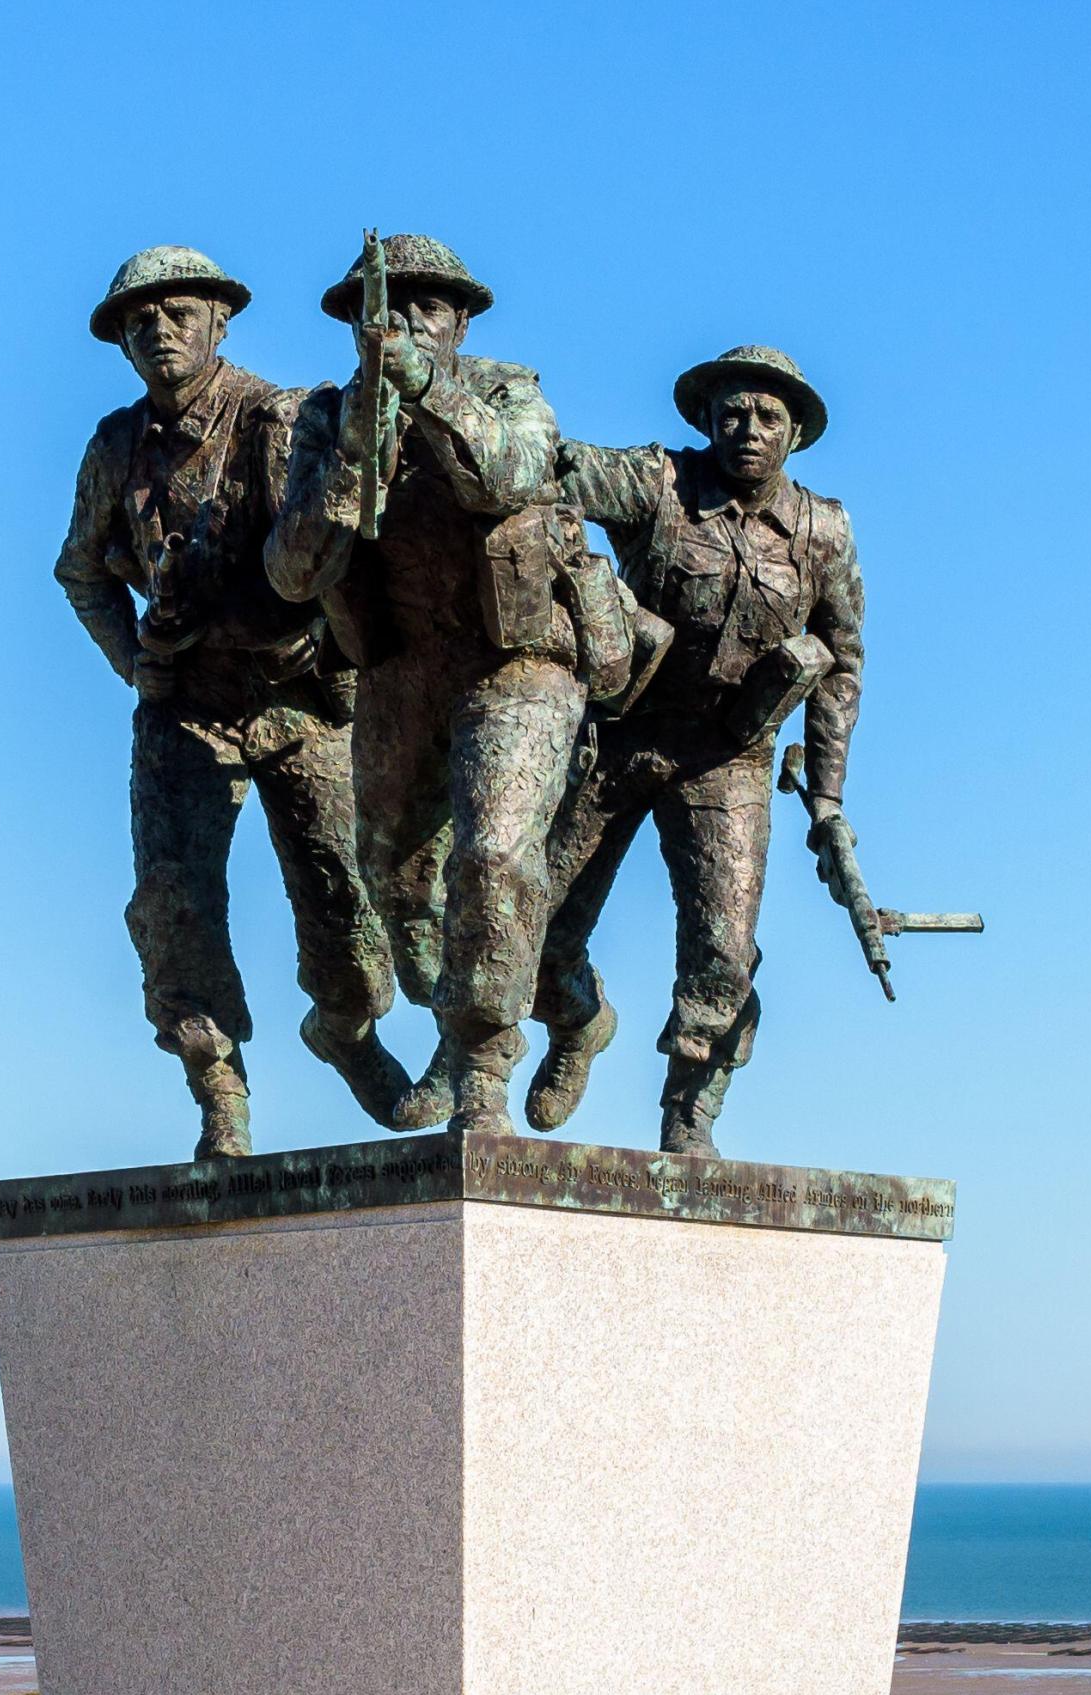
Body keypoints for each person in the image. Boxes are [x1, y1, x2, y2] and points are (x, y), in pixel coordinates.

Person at [264, 233, 631, 1132]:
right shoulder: (327, 418)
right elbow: (290, 572)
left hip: (518, 663)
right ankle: (487, 1018)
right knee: (396, 881)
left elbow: (510, 477)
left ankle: (480, 1067)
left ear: (460, 321)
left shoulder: (511, 391)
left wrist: (426, 389)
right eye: (377, 311)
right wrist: (353, 455)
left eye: (425, 307)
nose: (397, 323)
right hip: (404, 667)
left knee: (496, 857)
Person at [53, 245, 410, 1160]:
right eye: (141, 320)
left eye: (180, 314)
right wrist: (137, 664)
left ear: (220, 321)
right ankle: (219, 1089)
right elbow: (81, 573)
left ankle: (348, 1027)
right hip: (185, 707)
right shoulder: (114, 446)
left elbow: (341, 553)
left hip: (298, 701)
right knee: (172, 906)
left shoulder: (279, 420)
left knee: (345, 904)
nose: (159, 331)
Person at [536, 346, 864, 1155]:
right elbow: (559, 469)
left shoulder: (823, 532)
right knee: (531, 924)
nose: (746, 430)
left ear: (793, 433)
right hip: (621, 738)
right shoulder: (661, 484)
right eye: (731, 414)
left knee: (722, 956)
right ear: (707, 420)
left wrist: (827, 799)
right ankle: (578, 1019)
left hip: (730, 757)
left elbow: (842, 663)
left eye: (766, 418)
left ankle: (691, 1112)